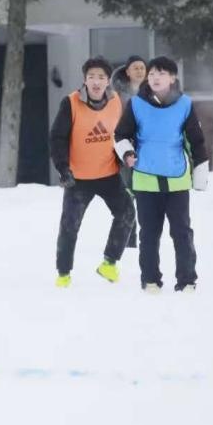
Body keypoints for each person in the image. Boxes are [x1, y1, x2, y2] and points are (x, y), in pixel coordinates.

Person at [113, 56, 209, 293]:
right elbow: (121, 135)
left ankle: (187, 280)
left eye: (162, 73)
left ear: (172, 78)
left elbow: (195, 140)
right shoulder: (136, 104)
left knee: (182, 233)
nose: (155, 77)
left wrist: (200, 174)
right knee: (149, 234)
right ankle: (150, 279)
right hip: (145, 180)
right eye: (152, 73)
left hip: (176, 178)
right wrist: (127, 155)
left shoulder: (185, 104)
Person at [48, 57, 136, 288]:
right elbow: (57, 138)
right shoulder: (71, 103)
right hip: (78, 179)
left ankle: (109, 263)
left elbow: (122, 132)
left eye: (101, 77)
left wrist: (125, 155)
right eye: (91, 77)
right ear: (84, 80)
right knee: (70, 226)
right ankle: (63, 274)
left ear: (108, 81)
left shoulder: (116, 101)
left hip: (108, 174)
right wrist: (62, 167)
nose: (96, 82)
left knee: (127, 212)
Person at [110, 54, 148, 250]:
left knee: (145, 193)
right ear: (127, 71)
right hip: (123, 146)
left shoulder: (152, 92)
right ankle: (128, 238)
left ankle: (147, 236)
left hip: (146, 148)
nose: (140, 71)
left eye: (142, 68)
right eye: (136, 68)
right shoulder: (116, 94)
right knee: (126, 193)